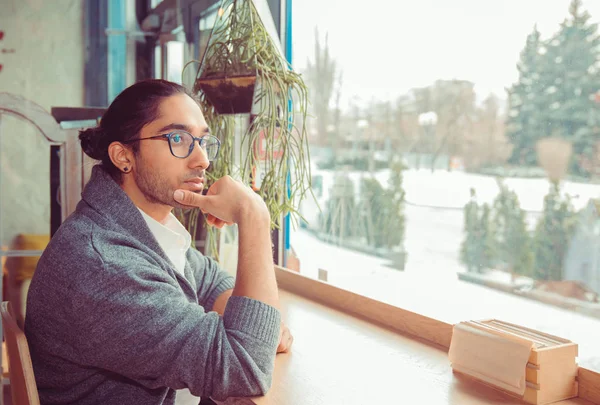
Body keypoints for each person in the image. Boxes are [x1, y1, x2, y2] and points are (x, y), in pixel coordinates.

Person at [24, 79, 292, 405]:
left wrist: (253, 334)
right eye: (177, 138)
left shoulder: (138, 230)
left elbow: (212, 283)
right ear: (124, 156)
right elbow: (246, 371)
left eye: (202, 141)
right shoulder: (104, 264)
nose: (202, 160)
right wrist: (254, 216)